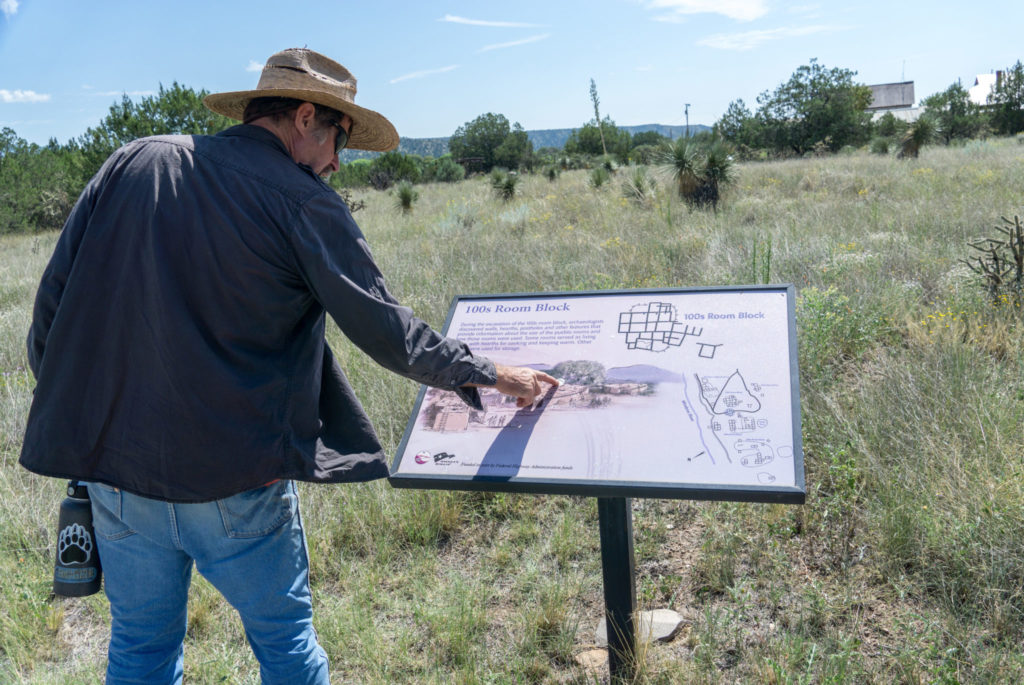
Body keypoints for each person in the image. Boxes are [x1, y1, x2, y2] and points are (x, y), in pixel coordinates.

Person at [19, 48, 556, 684]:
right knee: (286, 649)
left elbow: (50, 313)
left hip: (117, 479)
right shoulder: (302, 202)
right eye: (339, 142)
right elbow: (385, 328)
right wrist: (489, 372)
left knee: (138, 652)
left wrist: (89, 427)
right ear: (305, 117)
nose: (335, 164)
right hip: (238, 479)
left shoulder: (132, 161)